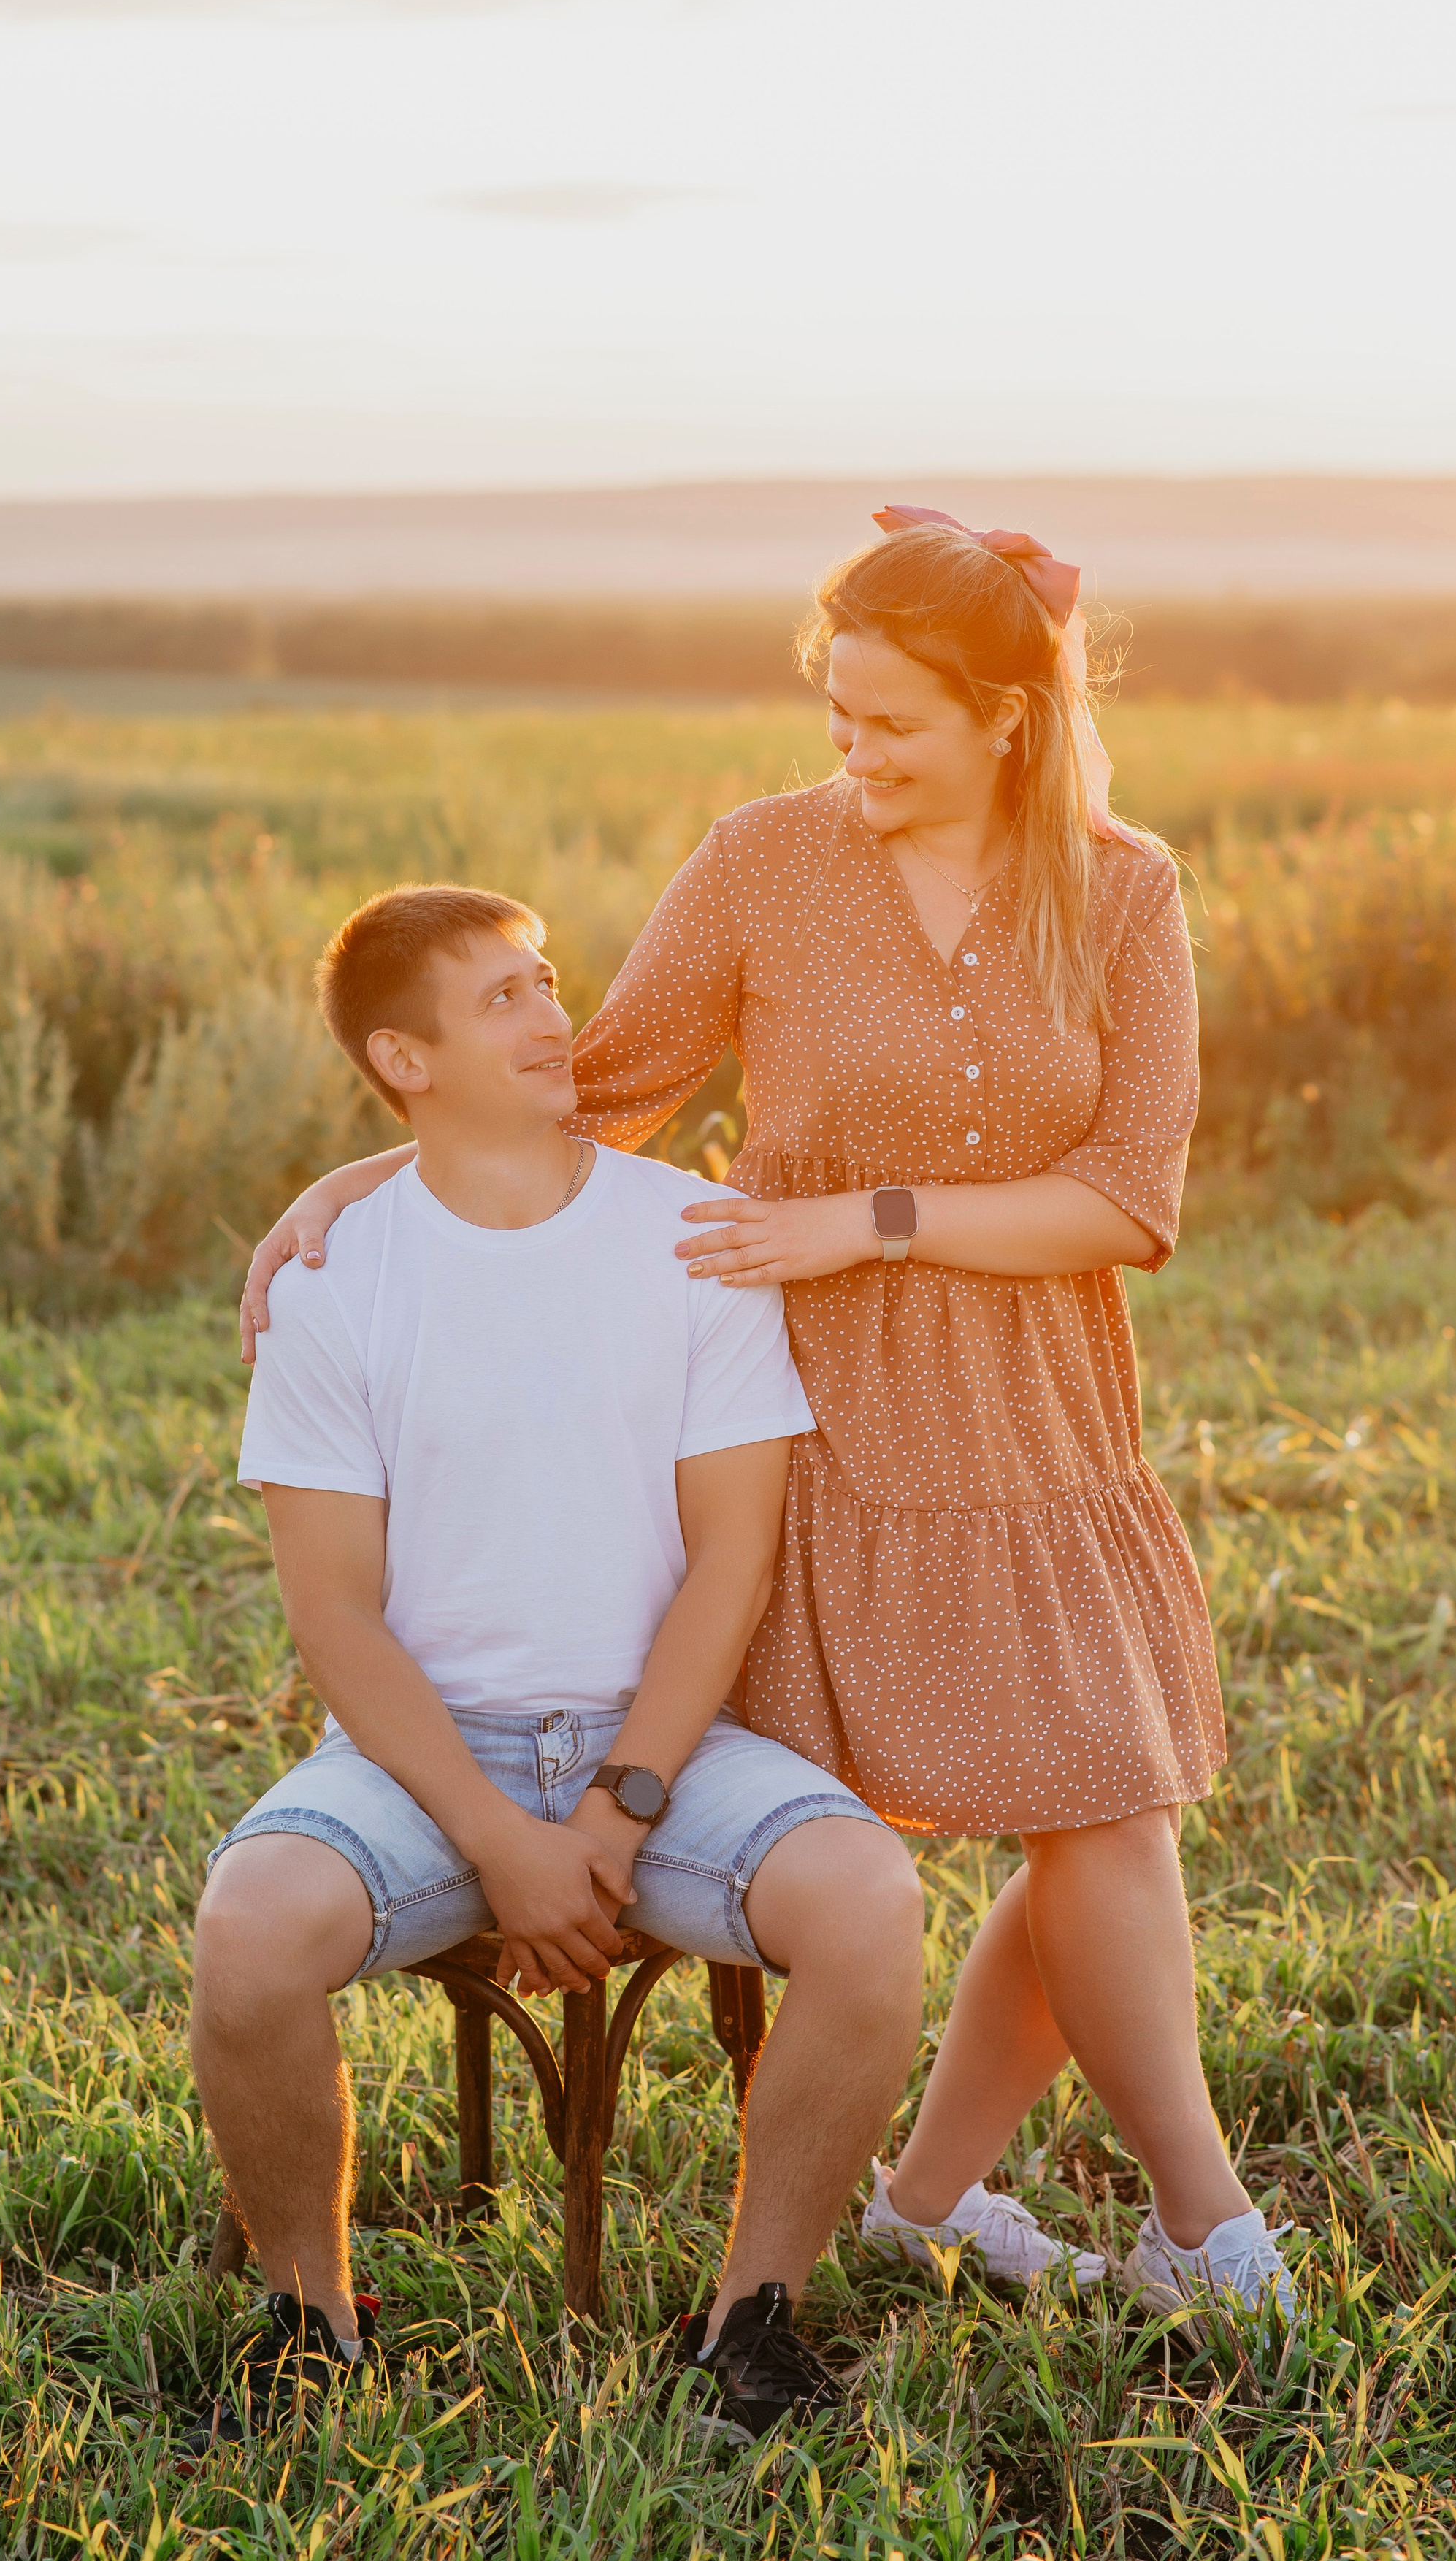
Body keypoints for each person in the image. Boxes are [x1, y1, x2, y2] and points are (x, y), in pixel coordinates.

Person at [241, 510, 1297, 2325]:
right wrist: (358, 1176)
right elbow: (596, 1093)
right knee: (1084, 1820)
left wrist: (862, 1219)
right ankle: (1146, 2230)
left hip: (1035, 1417)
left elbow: (1130, 1199)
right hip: (797, 1419)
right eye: (837, 714)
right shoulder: (762, 862)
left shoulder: (1123, 888)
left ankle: (1038, 2211)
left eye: (891, 723)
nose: (852, 752)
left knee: (1099, 1808)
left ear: (1006, 718)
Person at [191, 881, 927, 2450]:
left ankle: (750, 2324)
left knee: (869, 1900)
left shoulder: (689, 1236)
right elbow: (336, 1619)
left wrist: (614, 1805)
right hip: (425, 1754)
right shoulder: (332, 1281)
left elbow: (731, 1560)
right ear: (404, 1058)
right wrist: (496, 1837)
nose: (553, 1017)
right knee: (247, 1930)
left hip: (661, 1743)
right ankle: (311, 2324)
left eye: (545, 983)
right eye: (503, 998)